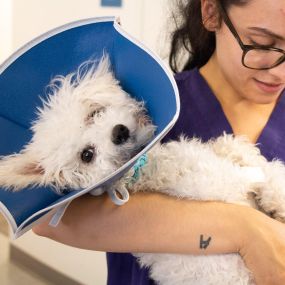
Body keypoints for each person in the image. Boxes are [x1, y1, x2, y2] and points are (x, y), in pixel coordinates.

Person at [33, 0, 285, 284]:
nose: (280, 72)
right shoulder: (147, 108)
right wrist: (244, 230)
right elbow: (46, 219)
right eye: (262, 43)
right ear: (212, 12)